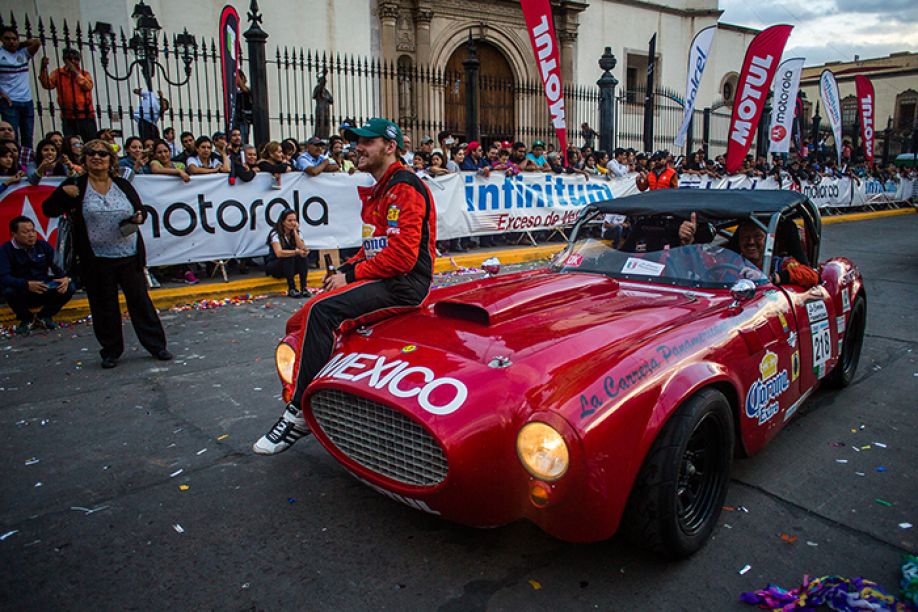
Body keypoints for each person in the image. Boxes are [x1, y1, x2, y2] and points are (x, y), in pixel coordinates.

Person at [252, 117, 437, 455]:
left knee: (323, 311)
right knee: (306, 313)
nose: (358, 148)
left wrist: (350, 276)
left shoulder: (404, 188)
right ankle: (325, 398)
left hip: (404, 286)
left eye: (366, 142)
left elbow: (402, 260)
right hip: (385, 277)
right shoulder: (383, 189)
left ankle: (298, 414)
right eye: (356, 142)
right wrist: (343, 269)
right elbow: (373, 249)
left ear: (389, 146)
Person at [42, 139, 172, 368]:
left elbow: (140, 209)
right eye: (91, 153)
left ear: (110, 160)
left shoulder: (122, 184)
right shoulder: (76, 185)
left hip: (128, 253)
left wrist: (138, 217)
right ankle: (111, 351)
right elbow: (49, 209)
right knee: (104, 305)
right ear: (84, 158)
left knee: (140, 301)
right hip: (97, 258)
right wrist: (63, 193)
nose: (97, 157)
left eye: (102, 154)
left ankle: (157, 346)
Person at [0, 216, 75, 335]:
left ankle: (44, 316)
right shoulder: (5, 250)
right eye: (25, 232)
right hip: (23, 291)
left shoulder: (42, 246)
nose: (31, 235)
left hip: (43, 287)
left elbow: (58, 267)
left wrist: (65, 278)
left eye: (33, 231)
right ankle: (26, 319)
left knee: (69, 287)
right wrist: (26, 284)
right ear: (14, 234)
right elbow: (4, 277)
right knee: (8, 291)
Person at [732, 220, 819, 288]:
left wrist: (773, 278)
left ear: (767, 241)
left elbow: (812, 276)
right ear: (739, 241)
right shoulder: (730, 264)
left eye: (758, 237)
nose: (751, 242)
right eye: (745, 237)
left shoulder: (780, 263)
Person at [38, 48, 96, 141]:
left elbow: (87, 86)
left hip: (86, 115)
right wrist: (43, 68)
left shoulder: (84, 74)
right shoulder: (58, 73)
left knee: (90, 143)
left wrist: (74, 71)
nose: (73, 62)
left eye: (76, 59)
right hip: (68, 116)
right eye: (70, 59)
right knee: (69, 143)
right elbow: (47, 85)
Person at [0, 26, 40, 150]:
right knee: (12, 136)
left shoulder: (22, 53)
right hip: (9, 101)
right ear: (1, 39)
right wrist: (2, 94)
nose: (11, 41)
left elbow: (37, 42)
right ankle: (13, 162)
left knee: (28, 136)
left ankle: (26, 163)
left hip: (26, 100)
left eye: (14, 39)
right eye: (7, 39)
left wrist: (20, 44)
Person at [264, 209, 309, 298]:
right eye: (289, 220)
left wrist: (295, 232)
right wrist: (296, 252)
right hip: (276, 266)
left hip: (290, 268)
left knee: (302, 257)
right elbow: (279, 253)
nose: (292, 223)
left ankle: (304, 287)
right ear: (283, 222)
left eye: (294, 220)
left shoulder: (297, 233)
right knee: (289, 255)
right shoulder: (275, 234)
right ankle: (292, 288)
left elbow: (302, 248)